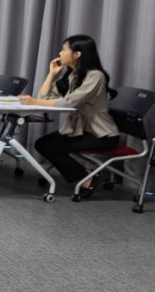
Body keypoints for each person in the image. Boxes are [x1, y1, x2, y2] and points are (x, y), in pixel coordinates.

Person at [20, 34, 118, 198]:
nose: (60, 53)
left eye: (64, 49)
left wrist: (33, 102)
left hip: (101, 135)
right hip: (80, 131)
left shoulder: (96, 76)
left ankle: (88, 179)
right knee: (43, 144)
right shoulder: (73, 75)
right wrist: (52, 74)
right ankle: (87, 174)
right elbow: (44, 98)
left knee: (50, 146)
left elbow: (69, 103)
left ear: (77, 54)